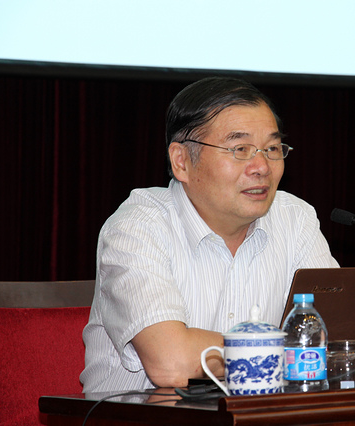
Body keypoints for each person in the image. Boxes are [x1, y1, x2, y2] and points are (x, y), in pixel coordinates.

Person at [80, 77, 339, 392]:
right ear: (182, 161)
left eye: (272, 148)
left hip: (257, 414)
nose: (262, 166)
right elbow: (171, 363)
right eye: (240, 149)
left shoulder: (295, 219)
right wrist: (292, 351)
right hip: (140, 414)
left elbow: (338, 341)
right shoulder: (137, 226)